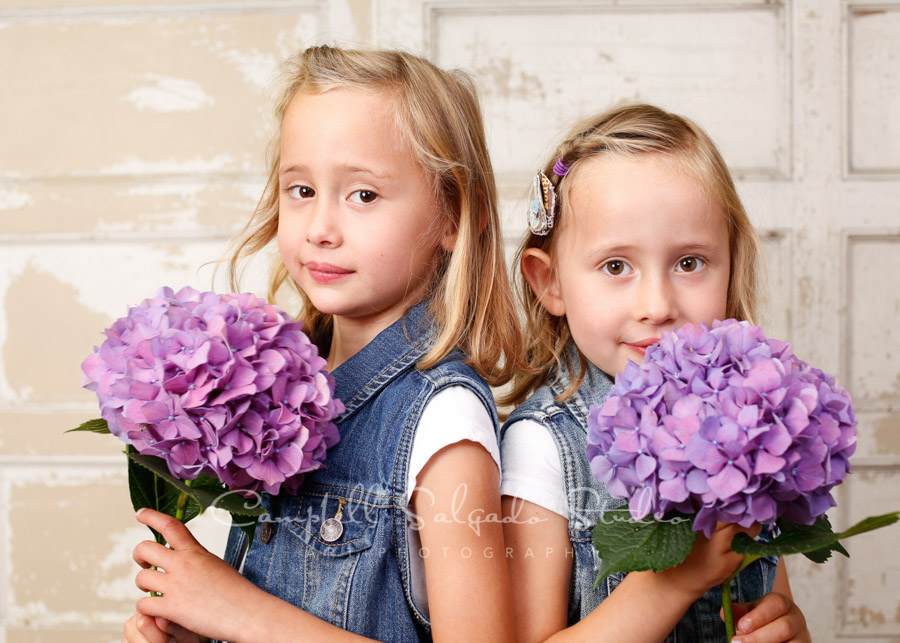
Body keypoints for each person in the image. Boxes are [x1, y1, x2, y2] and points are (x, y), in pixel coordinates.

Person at [122, 45, 521, 643]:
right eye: (301, 190)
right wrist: (204, 626)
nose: (319, 229)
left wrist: (239, 612)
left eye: (363, 195)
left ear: (453, 217)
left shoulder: (443, 416)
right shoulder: (277, 386)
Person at [500, 103, 810, 643]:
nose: (657, 304)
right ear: (549, 282)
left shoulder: (754, 426)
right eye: (616, 266)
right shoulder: (542, 447)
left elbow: (768, 590)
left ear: (731, 263)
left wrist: (789, 629)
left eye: (689, 263)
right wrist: (671, 585)